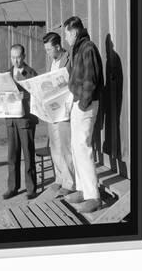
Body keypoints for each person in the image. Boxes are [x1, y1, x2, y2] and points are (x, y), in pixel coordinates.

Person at [63, 16, 104, 213]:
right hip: (79, 103)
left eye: (66, 34)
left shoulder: (88, 47)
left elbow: (91, 79)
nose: (66, 38)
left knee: (83, 147)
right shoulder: (79, 48)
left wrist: (83, 103)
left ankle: (93, 197)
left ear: (74, 32)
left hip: (85, 105)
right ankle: (81, 189)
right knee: (76, 147)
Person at [2, 44, 38, 200]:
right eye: (12, 57)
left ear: (24, 56)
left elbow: (38, 94)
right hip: (10, 119)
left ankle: (31, 188)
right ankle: (13, 187)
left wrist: (26, 96)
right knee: (12, 155)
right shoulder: (6, 74)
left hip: (25, 120)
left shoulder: (31, 74)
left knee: (28, 154)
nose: (15, 61)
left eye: (18, 57)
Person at [42, 32, 76, 196]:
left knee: (65, 147)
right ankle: (59, 178)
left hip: (64, 109)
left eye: (49, 50)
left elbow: (72, 82)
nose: (47, 53)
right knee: (54, 146)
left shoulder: (69, 59)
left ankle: (69, 182)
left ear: (57, 46)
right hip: (52, 110)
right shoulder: (52, 62)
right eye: (46, 50)